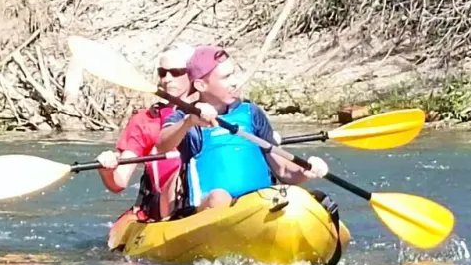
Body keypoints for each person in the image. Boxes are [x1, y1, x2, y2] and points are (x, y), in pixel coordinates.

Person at [155, 45, 327, 210]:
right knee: (219, 197)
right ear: (201, 85)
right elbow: (162, 144)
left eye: (233, 74)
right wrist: (189, 122)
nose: (235, 82)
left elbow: (283, 169)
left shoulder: (251, 113)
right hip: (210, 210)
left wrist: (304, 171)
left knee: (301, 197)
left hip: (259, 205)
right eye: (226, 77)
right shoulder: (185, 116)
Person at [97, 44, 195, 250]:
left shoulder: (215, 112)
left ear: (194, 75)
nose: (167, 79)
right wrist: (106, 170)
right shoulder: (145, 120)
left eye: (176, 72)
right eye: (162, 73)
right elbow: (119, 182)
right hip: (161, 208)